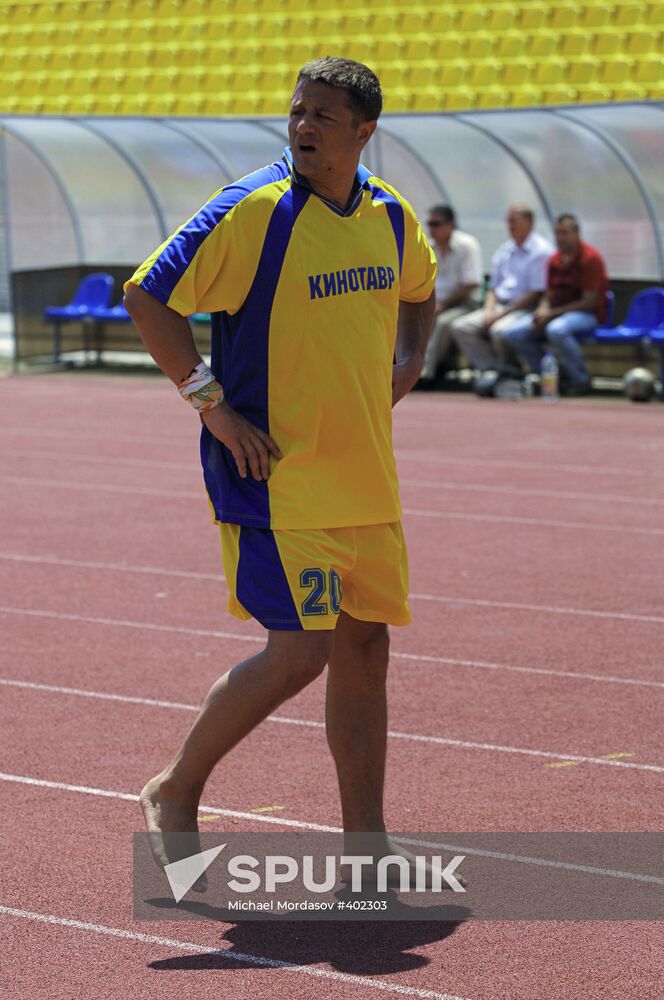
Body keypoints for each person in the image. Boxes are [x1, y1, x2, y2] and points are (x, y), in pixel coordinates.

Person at [124, 58, 438, 883]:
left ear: (364, 132)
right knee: (301, 652)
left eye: (324, 117)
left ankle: (366, 845)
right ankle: (175, 788)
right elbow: (149, 295)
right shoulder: (255, 210)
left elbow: (421, 288)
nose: (303, 126)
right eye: (298, 112)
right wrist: (212, 406)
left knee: (365, 649)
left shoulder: (393, 215)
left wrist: (409, 361)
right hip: (277, 477)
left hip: (367, 481)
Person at [503, 213, 609, 395]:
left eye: (565, 233)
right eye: (557, 233)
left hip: (587, 315)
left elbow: (588, 302)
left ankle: (581, 380)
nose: (560, 238)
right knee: (513, 333)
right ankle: (552, 376)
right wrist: (542, 310)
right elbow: (548, 295)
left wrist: (551, 314)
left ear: (577, 233)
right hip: (557, 313)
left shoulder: (591, 259)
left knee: (556, 330)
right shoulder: (554, 260)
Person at [450, 203, 553, 376]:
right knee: (461, 327)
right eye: (507, 221)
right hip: (499, 307)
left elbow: (536, 292)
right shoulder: (506, 250)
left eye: (513, 221)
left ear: (528, 222)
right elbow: (493, 287)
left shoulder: (541, 251)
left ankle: (509, 370)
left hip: (524, 309)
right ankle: (493, 370)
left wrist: (502, 313)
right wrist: (489, 310)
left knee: (499, 330)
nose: (509, 225)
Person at [418, 204, 483, 386]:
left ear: (450, 225)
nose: (432, 229)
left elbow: (471, 284)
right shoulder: (427, 246)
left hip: (463, 305)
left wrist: (442, 305)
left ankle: (425, 374)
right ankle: (402, 367)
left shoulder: (466, 245)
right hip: (433, 303)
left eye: (436, 224)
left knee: (443, 322)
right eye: (430, 224)